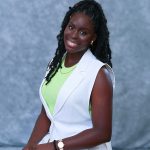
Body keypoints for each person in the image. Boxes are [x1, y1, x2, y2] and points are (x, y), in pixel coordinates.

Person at [23, 0, 115, 150]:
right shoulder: (55, 64)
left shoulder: (99, 75)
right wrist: (29, 147)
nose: (74, 35)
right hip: (51, 143)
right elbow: (46, 115)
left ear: (93, 38)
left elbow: (102, 133)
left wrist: (56, 146)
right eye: (71, 27)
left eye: (83, 32)